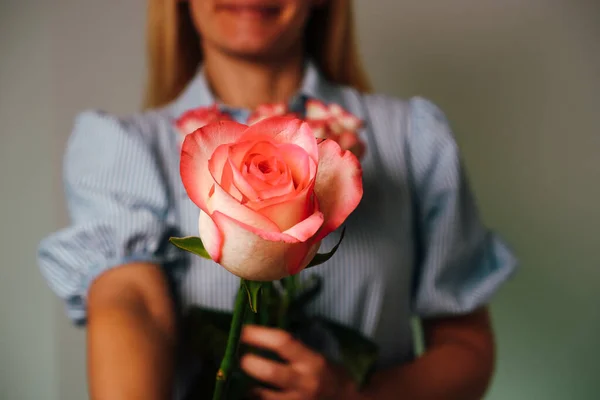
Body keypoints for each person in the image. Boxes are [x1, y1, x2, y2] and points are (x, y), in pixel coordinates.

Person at [38, 1, 518, 399]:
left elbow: (465, 342)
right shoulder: (124, 148)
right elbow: (131, 304)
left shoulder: (412, 139)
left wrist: (357, 397)